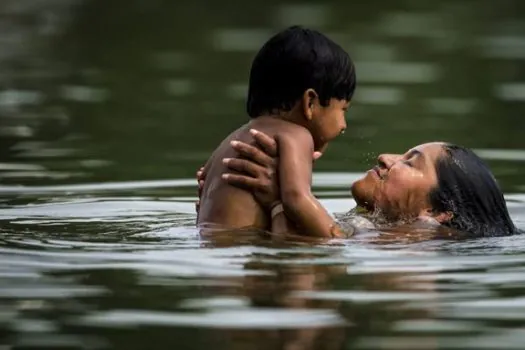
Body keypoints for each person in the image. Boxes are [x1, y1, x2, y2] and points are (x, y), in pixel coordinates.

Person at [198, 129, 520, 238]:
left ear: (436, 212)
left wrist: (280, 200)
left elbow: (303, 257)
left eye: (410, 162)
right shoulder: (378, 231)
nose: (384, 157)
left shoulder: (413, 246)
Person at [197, 25, 356, 238]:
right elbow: (297, 199)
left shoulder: (231, 140)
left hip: (209, 250)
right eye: (343, 109)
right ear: (310, 103)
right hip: (245, 253)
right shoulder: (297, 136)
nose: (343, 124)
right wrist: (337, 236)